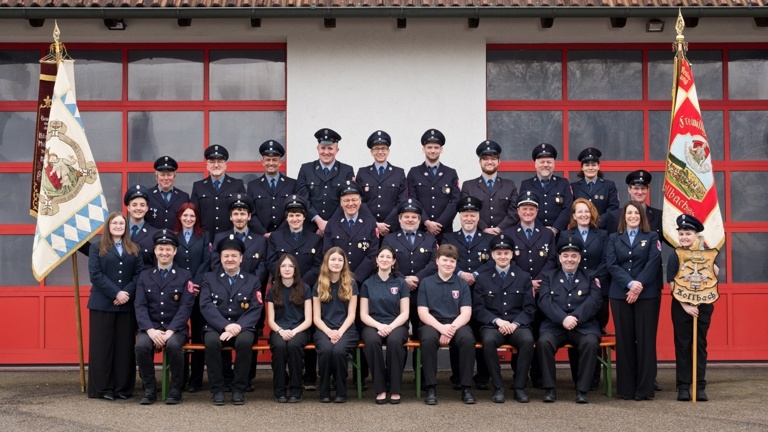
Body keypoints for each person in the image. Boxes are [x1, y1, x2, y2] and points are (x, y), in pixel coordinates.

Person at [605, 201, 662, 401]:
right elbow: (611, 264)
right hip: (620, 294)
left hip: (646, 295)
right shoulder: (613, 238)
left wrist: (638, 285)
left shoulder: (652, 236)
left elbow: (653, 262)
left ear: (641, 216)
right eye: (629, 213)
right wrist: (629, 284)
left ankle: (645, 389)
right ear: (624, 216)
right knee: (625, 340)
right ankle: (627, 389)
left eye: (636, 213)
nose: (632, 216)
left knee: (646, 340)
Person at [267, 194, 323, 391]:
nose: (295, 219)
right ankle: (284, 381)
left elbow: (318, 266)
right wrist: (287, 282)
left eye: (298, 215)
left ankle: (308, 377)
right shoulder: (276, 237)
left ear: (304, 217)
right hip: (281, 290)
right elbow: (271, 262)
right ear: (286, 217)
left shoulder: (315, 239)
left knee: (307, 333)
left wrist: (300, 285)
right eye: (291, 215)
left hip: (305, 290)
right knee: (283, 345)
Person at [536, 235, 602, 404]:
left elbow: (594, 301)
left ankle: (582, 390)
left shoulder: (591, 275)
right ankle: (549, 389)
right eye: (565, 256)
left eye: (574, 256)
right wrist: (563, 318)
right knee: (544, 342)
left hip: (583, 326)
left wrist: (575, 317)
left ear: (579, 258)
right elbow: (544, 301)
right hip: (555, 326)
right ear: (559, 257)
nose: (569, 260)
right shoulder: (548, 276)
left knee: (590, 343)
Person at [501, 191, 557, 388]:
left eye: (531, 208)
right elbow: (507, 260)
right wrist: (527, 282)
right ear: (518, 211)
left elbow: (552, 259)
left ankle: (539, 374)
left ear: (537, 211)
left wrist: (539, 280)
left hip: (542, 290)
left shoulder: (547, 234)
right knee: (522, 331)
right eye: (524, 208)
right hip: (518, 290)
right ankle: (520, 374)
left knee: (540, 332)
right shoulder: (508, 234)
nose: (527, 212)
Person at [199, 235, 263, 406]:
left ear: (241, 258)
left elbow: (256, 307)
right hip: (216, 326)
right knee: (211, 342)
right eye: (226, 256)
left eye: (234, 255)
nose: (230, 259)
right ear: (220, 258)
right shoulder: (209, 278)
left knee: (245, 342)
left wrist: (238, 326)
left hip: (243, 327)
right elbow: (205, 306)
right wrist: (225, 325)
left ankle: (238, 388)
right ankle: (218, 389)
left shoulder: (252, 280)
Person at [472, 234, 536, 404]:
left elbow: (529, 308)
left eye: (506, 253)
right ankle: (498, 387)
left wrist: (515, 324)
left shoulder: (523, 277)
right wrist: (498, 321)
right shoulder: (483, 278)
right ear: (492, 255)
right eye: (498, 253)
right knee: (488, 341)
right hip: (493, 326)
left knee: (527, 341)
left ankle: (520, 387)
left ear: (512, 254)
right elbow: (478, 309)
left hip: (517, 325)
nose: (502, 256)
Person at [87, 212, 143, 400]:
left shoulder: (134, 248)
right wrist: (116, 293)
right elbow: (96, 275)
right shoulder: (97, 248)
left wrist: (125, 293)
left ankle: (123, 388)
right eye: (115, 223)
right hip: (102, 304)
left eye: (122, 223)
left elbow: (138, 275)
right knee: (102, 347)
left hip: (126, 305)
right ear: (108, 226)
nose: (118, 226)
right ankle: (103, 389)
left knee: (124, 348)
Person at [134, 229, 195, 405]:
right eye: (160, 249)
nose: (164, 253)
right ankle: (149, 388)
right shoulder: (145, 276)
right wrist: (151, 330)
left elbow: (185, 306)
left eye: (168, 249)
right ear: (155, 250)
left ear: (175, 251)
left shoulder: (185, 275)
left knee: (175, 346)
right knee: (141, 346)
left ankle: (175, 389)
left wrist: (170, 331)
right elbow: (140, 305)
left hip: (175, 328)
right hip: (151, 327)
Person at [441, 195, 494, 389]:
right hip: (456, 293)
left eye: (472, 215)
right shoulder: (449, 238)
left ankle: (482, 377)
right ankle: (458, 377)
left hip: (482, 294)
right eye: (465, 215)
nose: (469, 219)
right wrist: (461, 273)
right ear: (459, 217)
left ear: (478, 217)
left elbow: (493, 261)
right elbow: (444, 259)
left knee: (482, 334)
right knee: (458, 335)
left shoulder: (489, 239)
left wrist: (477, 274)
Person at [559, 198, 610, 390]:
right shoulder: (565, 234)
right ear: (573, 215)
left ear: (592, 214)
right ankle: (577, 377)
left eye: (587, 211)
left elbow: (607, 261)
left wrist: (592, 281)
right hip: (572, 292)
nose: (583, 215)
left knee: (593, 334)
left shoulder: (603, 234)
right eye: (579, 211)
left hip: (598, 291)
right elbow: (564, 262)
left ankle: (593, 378)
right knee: (574, 329)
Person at [418, 244, 476, 405]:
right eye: (444, 260)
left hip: (457, 324)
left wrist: (450, 329)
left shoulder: (462, 284)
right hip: (432, 323)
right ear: (437, 261)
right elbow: (423, 313)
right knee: (428, 340)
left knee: (467, 340)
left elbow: (466, 313)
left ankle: (466, 388)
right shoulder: (426, 283)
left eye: (452, 261)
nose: (448, 264)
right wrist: (441, 328)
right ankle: (430, 387)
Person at [668, 214, 717, 402]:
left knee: (700, 344)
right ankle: (683, 386)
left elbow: (715, 275)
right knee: (682, 344)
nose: (684, 237)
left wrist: (707, 258)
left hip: (703, 304)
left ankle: (700, 385)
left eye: (688, 233)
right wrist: (686, 305)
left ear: (696, 235)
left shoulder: (707, 252)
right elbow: (672, 282)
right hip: (682, 306)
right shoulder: (676, 254)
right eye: (681, 234)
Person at [381, 198, 437, 344]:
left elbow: (433, 263)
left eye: (414, 217)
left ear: (419, 220)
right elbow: (386, 261)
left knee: (423, 336)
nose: (410, 220)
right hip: (397, 293)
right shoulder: (389, 239)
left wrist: (417, 278)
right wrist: (403, 280)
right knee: (399, 336)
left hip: (422, 295)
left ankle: (420, 367)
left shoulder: (429, 239)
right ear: (399, 219)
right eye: (406, 216)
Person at [360, 246, 410, 404]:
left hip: (397, 324)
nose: (384, 260)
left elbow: (405, 313)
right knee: (372, 341)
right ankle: (380, 388)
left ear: (394, 261)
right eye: (381, 256)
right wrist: (380, 326)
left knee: (395, 342)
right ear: (376, 259)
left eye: (389, 257)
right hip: (373, 324)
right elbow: (363, 314)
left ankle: (395, 388)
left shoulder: (401, 283)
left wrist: (390, 327)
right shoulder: (367, 284)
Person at [172, 202, 212, 393]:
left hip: (199, 291)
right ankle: (179, 378)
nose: (189, 219)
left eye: (192, 216)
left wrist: (196, 284)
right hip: (177, 292)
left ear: (197, 218)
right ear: (179, 217)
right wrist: (185, 285)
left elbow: (207, 261)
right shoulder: (172, 237)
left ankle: (196, 379)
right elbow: (169, 261)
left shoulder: (204, 236)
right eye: (185, 215)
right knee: (177, 332)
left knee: (198, 334)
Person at [312, 247, 359, 403]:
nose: (336, 263)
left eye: (340, 260)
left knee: (339, 351)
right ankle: (324, 390)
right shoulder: (319, 284)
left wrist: (339, 332)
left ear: (344, 263)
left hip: (346, 329)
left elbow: (352, 314)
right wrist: (328, 332)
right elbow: (316, 317)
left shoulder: (351, 283)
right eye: (333, 259)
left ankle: (341, 389)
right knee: (325, 350)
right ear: (327, 262)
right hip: (323, 329)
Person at [266, 254, 313, 403]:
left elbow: (309, 319)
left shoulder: (305, 288)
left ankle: (296, 389)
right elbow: (271, 320)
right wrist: (280, 331)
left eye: (290, 266)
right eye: (283, 266)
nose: (287, 269)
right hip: (279, 329)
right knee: (279, 347)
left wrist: (294, 331)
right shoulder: (273, 289)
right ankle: (279, 390)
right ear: (278, 270)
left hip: (299, 329)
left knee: (293, 346)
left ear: (295, 269)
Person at [296, 128, 354, 235]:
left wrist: (329, 224)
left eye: (330, 148)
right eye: (323, 148)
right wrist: (319, 221)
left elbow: (346, 200)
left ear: (337, 150)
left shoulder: (347, 171)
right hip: (310, 228)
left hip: (337, 227)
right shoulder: (306, 169)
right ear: (317, 149)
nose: (326, 152)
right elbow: (302, 198)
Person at [406, 129, 460, 242]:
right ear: (423, 149)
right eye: (429, 147)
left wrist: (439, 224)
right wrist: (426, 221)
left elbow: (455, 201)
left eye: (436, 147)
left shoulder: (451, 173)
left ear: (441, 149)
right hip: (420, 229)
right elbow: (412, 199)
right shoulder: (414, 172)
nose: (433, 150)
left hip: (444, 231)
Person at [322, 181, 378, 285]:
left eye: (354, 200)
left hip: (363, 282)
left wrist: (356, 278)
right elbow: (327, 252)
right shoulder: (332, 223)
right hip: (337, 280)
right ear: (341, 202)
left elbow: (372, 255)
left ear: (360, 201)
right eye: (346, 200)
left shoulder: (370, 224)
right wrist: (341, 275)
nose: (351, 204)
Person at [355, 130, 407, 237]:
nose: (380, 152)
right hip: (367, 228)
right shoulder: (363, 173)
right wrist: (375, 224)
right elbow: (360, 201)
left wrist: (387, 225)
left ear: (388, 151)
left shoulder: (399, 173)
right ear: (371, 152)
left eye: (383, 148)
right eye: (376, 149)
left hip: (392, 230)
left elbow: (401, 201)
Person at [460, 140, 519, 235]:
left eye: (493, 158)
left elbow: (514, 212)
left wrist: (499, 228)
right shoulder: (468, 186)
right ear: (480, 162)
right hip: (478, 236)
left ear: (499, 161)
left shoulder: (510, 185)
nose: (489, 162)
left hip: (504, 236)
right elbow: (466, 211)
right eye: (485, 158)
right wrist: (484, 228)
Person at [190, 145, 246, 236]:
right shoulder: (198, 186)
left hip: (231, 237)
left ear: (225, 165)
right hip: (205, 238)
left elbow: (244, 212)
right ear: (207, 166)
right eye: (212, 162)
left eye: (220, 161)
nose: (216, 165)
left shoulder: (237, 184)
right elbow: (194, 215)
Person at [519, 143, 573, 235]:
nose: (545, 165)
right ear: (535, 164)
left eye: (549, 162)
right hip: (533, 234)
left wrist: (555, 229)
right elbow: (523, 209)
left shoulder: (563, 183)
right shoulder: (526, 184)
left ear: (554, 164)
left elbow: (568, 209)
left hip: (559, 235)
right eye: (542, 162)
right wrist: (540, 229)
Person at [246, 140, 298, 237]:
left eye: (274, 160)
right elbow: (251, 213)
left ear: (280, 162)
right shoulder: (253, 185)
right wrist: (263, 233)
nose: (271, 163)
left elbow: (293, 211)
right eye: (268, 160)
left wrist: (277, 234)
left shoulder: (292, 184)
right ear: (262, 162)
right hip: (260, 237)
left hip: (285, 236)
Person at [569, 148, 619, 221]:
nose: (590, 168)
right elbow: (571, 208)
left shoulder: (609, 185)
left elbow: (613, 208)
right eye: (587, 165)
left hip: (602, 228)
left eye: (593, 165)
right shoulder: (574, 187)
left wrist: (598, 221)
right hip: (580, 227)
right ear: (582, 168)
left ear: (598, 166)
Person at [145, 155, 190, 231]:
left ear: (174, 177)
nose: (166, 178)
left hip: (176, 241)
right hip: (152, 241)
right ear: (156, 177)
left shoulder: (184, 197)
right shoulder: (147, 195)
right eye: (162, 175)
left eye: (169, 175)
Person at [125, 184, 160, 267]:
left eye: (142, 205)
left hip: (145, 279)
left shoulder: (155, 234)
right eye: (134, 205)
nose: (138, 208)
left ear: (147, 208)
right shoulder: (119, 230)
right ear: (128, 208)